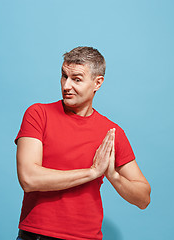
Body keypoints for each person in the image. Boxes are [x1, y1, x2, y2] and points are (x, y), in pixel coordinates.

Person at [14, 46, 151, 240]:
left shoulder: (111, 132)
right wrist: (92, 172)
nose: (66, 86)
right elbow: (29, 178)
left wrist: (113, 176)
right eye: (64, 76)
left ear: (98, 83)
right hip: (36, 235)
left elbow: (144, 198)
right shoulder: (38, 114)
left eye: (76, 79)